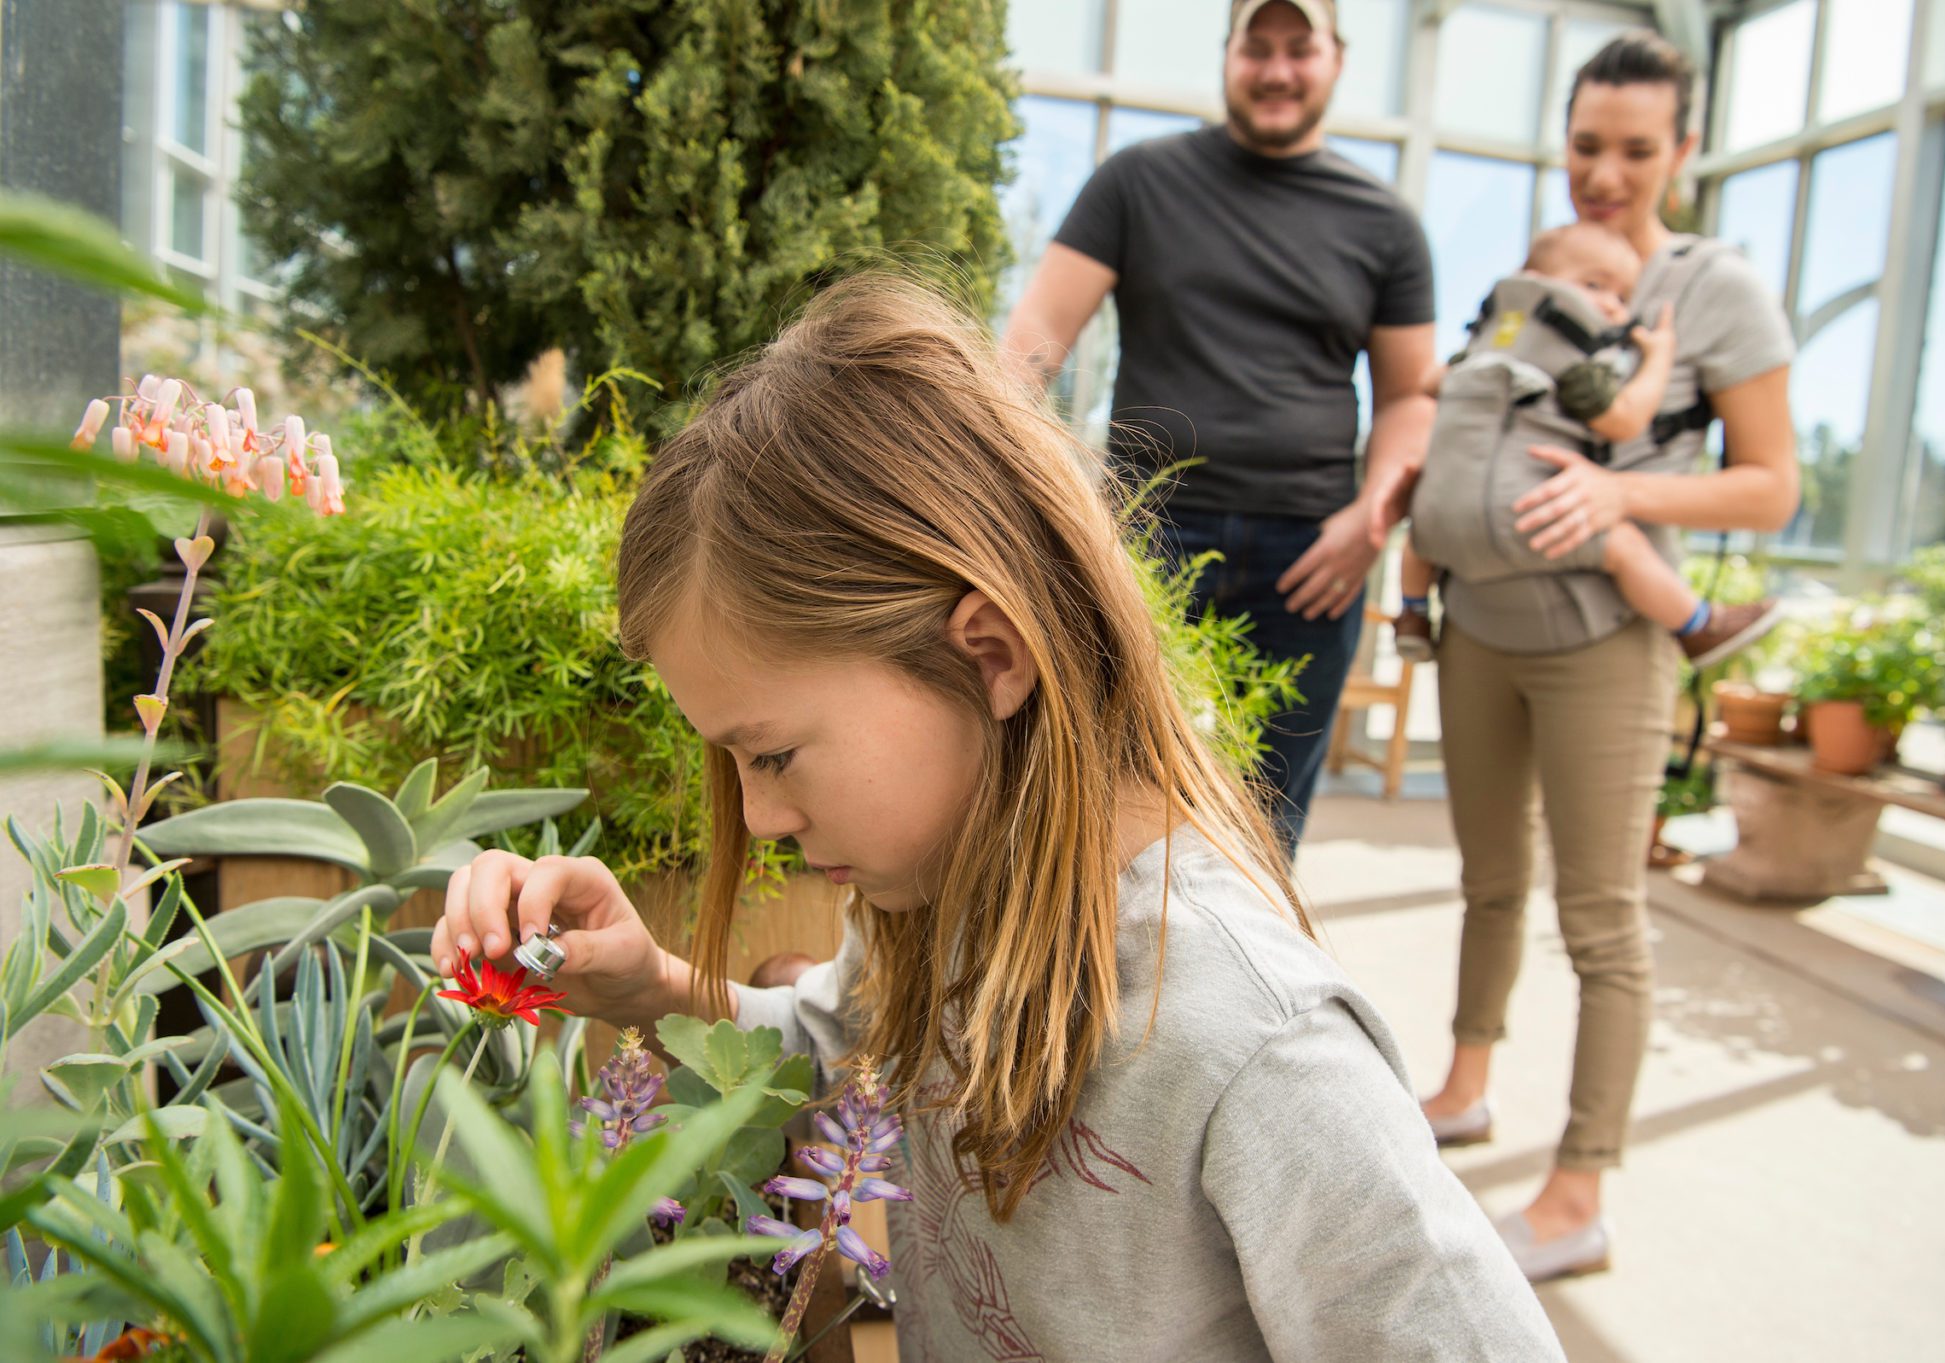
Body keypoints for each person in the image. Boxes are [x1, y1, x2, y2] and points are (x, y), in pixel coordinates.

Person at [429, 276, 1564, 1361]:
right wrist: (651, 987)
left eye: (770, 752)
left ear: (988, 653)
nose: (759, 815)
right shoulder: (940, 894)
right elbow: (838, 1049)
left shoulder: (1255, 1050)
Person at [1412, 31, 1801, 1283]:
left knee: (1599, 918)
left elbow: (1769, 488)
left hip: (1601, 644)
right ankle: (1464, 1084)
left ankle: (1577, 1192)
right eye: (1586, 145)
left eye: (1636, 151)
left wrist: (1621, 502)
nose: (1605, 174)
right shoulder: (1540, 273)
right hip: (1481, 621)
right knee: (1482, 879)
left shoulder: (1715, 288)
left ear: (1681, 153)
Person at [1001, 0, 1436, 852]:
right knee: (1106, 808)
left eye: (1299, 49)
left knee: (1265, 832)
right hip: (1143, 542)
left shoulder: (1385, 225)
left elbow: (1411, 398)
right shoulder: (1136, 183)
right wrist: (1050, 504)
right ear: (1227, 56)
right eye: (1257, 47)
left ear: (1336, 59)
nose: (1277, 69)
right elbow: (1027, 351)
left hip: (1312, 563)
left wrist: (1371, 518)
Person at [1393, 221, 1780, 668]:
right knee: (1626, 549)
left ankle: (1413, 615)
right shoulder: (1573, 362)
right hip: (1525, 514)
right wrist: (1658, 358)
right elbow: (1626, 419)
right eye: (1596, 286)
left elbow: (1428, 382)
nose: (1612, 308)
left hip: (1442, 521)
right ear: (1533, 284)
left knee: (1421, 535)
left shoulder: (1475, 352)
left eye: (1621, 298)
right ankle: (1697, 626)